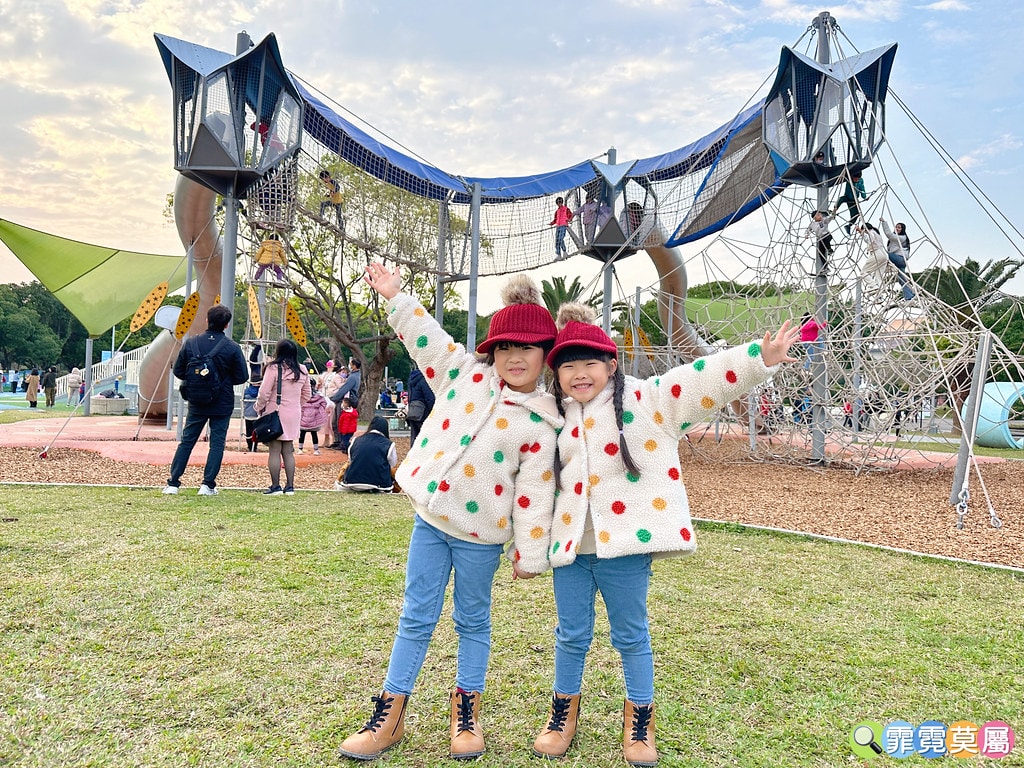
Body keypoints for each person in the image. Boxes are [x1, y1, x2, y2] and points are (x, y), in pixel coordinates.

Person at [530, 303, 798, 765]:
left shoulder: (648, 400)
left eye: (589, 362)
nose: (579, 374)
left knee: (631, 635)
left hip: (625, 550)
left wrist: (758, 358)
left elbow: (700, 379)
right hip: (570, 550)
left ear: (611, 363)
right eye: (567, 366)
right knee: (570, 634)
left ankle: (640, 722)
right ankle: (561, 716)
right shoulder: (554, 415)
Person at [338, 263, 561, 762]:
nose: (515, 357)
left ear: (546, 353)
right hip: (432, 521)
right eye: (505, 347)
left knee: (472, 621)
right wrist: (396, 296)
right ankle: (389, 715)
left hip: (482, 535)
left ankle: (466, 715)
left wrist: (531, 552)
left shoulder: (543, 422)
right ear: (491, 351)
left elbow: (533, 494)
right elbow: (429, 340)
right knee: (415, 615)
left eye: (527, 348)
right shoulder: (466, 375)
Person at [163, 305, 249, 496]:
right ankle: (207, 484)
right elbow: (242, 376)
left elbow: (179, 371)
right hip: (222, 402)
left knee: (187, 441)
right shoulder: (232, 348)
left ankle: (173, 483)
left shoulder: (191, 343)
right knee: (217, 444)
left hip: (197, 400)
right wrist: (223, 380)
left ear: (207, 320)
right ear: (226, 325)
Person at [255, 338, 311, 496]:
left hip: (276, 412)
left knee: (274, 450)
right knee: (288, 450)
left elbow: (264, 393)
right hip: (294, 413)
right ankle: (290, 486)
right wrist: (295, 404)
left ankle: (275, 486)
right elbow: (307, 394)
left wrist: (259, 407)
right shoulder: (302, 369)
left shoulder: (273, 368)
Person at [335, 415, 399, 492]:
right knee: (394, 472)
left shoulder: (355, 440)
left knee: (347, 465)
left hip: (352, 482)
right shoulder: (389, 444)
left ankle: (342, 481)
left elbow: (351, 459)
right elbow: (392, 463)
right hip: (380, 484)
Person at [879, 218, 916, 301]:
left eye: (899, 227)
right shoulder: (895, 239)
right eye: (896, 227)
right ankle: (909, 296)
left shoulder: (902, 238)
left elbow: (889, 234)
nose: (897, 229)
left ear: (903, 229)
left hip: (899, 259)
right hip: (900, 261)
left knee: (882, 253)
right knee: (902, 280)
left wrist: (884, 222)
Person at [329, 357, 362, 446]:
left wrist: (334, 398)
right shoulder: (356, 375)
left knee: (339, 421)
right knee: (337, 421)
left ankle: (341, 441)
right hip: (346, 399)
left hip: (345, 400)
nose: (350, 366)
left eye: (351, 364)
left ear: (354, 366)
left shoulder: (353, 377)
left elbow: (344, 389)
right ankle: (339, 441)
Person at [404, 364, 435, 448]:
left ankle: (413, 454)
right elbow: (429, 398)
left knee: (414, 437)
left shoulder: (411, 380)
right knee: (425, 437)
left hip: (412, 411)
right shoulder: (423, 379)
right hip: (423, 413)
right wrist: (434, 411)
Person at [298, 377, 329, 455]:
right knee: (314, 434)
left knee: (302, 434)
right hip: (314, 418)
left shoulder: (302, 394)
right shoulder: (318, 395)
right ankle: (316, 450)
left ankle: (300, 449)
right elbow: (324, 403)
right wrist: (319, 410)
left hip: (303, 417)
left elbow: (298, 403)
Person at [856, 221, 890, 290]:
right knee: (879, 277)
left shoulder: (871, 232)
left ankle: (872, 285)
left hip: (877, 253)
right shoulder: (876, 233)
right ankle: (880, 292)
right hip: (884, 254)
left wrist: (860, 232)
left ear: (865, 229)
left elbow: (869, 240)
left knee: (864, 272)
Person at [319, 360, 343, 448]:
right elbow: (321, 387)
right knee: (325, 421)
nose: (330, 362)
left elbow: (341, 387)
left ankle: (334, 439)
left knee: (331, 421)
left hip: (332, 400)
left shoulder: (336, 375)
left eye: (332, 362)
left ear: (335, 366)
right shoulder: (324, 374)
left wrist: (334, 394)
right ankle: (326, 439)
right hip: (324, 399)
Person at [242, 375, 262, 452]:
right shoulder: (260, 391)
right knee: (256, 431)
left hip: (247, 414)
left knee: (248, 430)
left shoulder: (246, 391)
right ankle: (254, 446)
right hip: (257, 414)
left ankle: (249, 446)